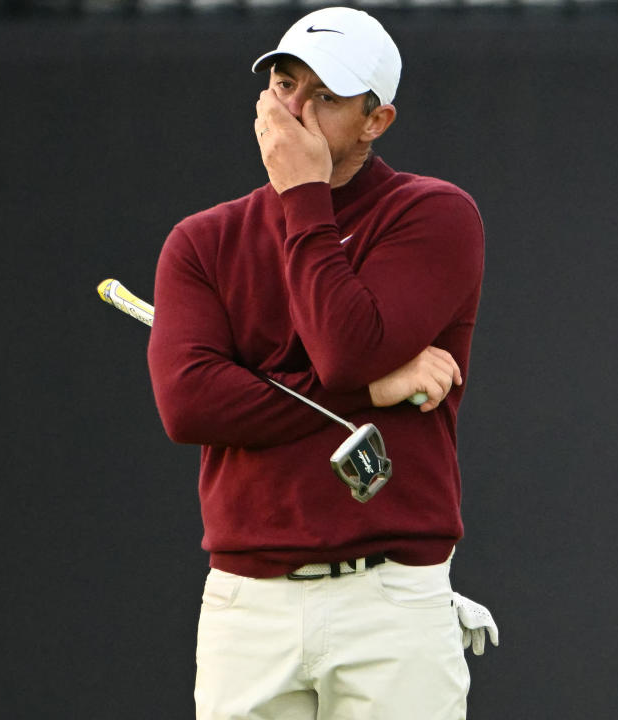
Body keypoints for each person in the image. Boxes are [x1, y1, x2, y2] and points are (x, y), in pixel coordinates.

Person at [146, 7, 494, 719]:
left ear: (377, 121)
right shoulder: (202, 242)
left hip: (391, 598)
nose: (294, 111)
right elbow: (189, 406)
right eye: (283, 83)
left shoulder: (432, 215)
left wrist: (304, 195)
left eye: (326, 97)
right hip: (248, 604)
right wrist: (377, 388)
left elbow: (344, 349)